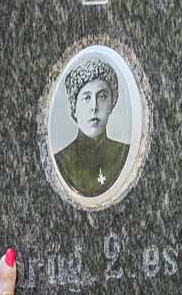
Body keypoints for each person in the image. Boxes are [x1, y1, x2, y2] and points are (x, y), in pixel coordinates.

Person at [53, 55, 130, 198]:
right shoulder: (61, 161)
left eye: (102, 97)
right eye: (86, 98)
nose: (94, 107)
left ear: (112, 103)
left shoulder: (125, 153)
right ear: (73, 107)